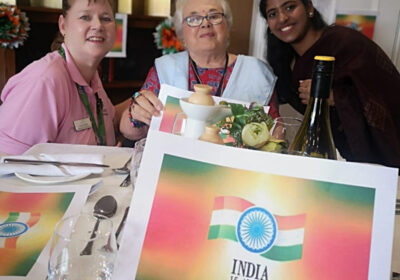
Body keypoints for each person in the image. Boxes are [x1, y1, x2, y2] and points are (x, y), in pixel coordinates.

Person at [259, 0, 400, 169]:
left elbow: (385, 97)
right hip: (339, 158)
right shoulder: (283, 61)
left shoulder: (346, 43)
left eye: (290, 7)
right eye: (273, 14)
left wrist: (333, 96)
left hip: (381, 157)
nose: (282, 18)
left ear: (309, 8)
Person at [120, 0, 279, 141]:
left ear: (227, 27)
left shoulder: (256, 71)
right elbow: (129, 131)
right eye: (194, 19)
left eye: (214, 16)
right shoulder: (165, 68)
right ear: (182, 34)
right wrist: (136, 115)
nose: (205, 23)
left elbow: (276, 134)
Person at [0, 0, 128, 155]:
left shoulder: (92, 78)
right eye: (85, 17)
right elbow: (6, 162)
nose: (98, 26)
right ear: (63, 25)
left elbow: (108, 124)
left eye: (106, 18)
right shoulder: (44, 80)